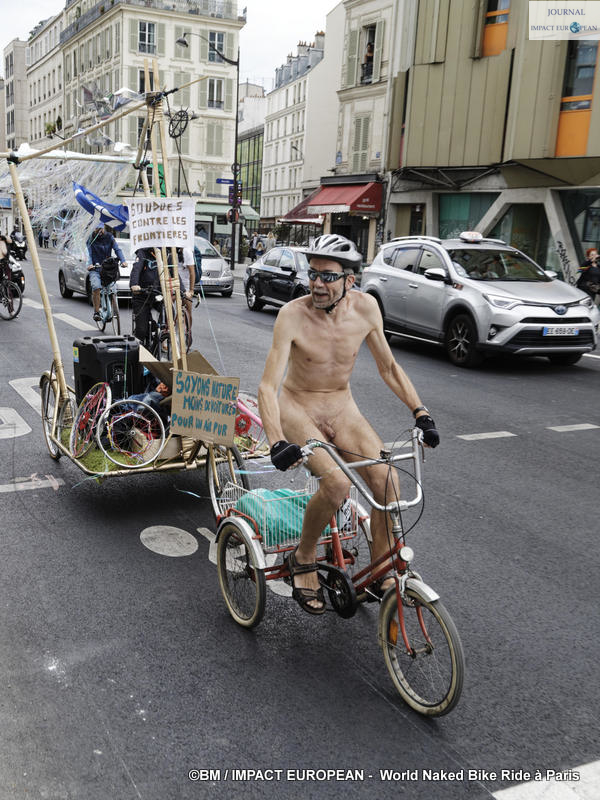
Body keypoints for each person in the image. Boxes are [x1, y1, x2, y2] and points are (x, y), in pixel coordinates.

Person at [257, 233, 439, 615]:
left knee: (388, 480)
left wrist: (420, 411)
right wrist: (276, 441)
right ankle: (303, 557)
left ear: (349, 281)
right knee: (337, 483)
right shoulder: (292, 314)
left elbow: (389, 367)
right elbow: (268, 385)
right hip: (298, 405)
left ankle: (382, 568)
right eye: (313, 274)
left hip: (342, 405)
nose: (317, 284)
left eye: (327, 276)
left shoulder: (367, 309)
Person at [87, 224, 126, 322]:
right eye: (97, 229)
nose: (99, 231)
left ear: (103, 228)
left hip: (107, 267)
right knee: (96, 287)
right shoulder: (90, 238)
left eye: (101, 228)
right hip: (95, 268)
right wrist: (90, 264)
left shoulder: (109, 237)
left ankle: (113, 309)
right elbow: (88, 253)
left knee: (112, 288)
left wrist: (123, 260)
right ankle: (96, 312)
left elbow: (117, 249)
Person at [130, 247, 160, 344]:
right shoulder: (142, 253)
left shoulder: (165, 253)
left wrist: (183, 290)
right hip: (142, 294)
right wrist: (134, 284)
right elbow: (136, 269)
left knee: (170, 312)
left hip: (157, 294)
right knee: (141, 330)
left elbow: (173, 270)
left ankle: (162, 334)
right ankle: (139, 353)